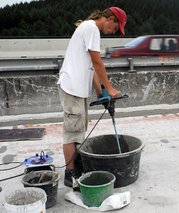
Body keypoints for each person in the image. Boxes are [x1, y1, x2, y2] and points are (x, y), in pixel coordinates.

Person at [57, 6, 127, 187]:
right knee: (72, 133)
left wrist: (100, 91)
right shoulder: (91, 29)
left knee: (79, 130)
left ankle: (77, 168)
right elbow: (98, 62)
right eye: (116, 28)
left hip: (78, 89)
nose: (113, 32)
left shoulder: (89, 29)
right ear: (111, 19)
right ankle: (70, 175)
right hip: (72, 87)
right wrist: (110, 89)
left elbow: (92, 67)